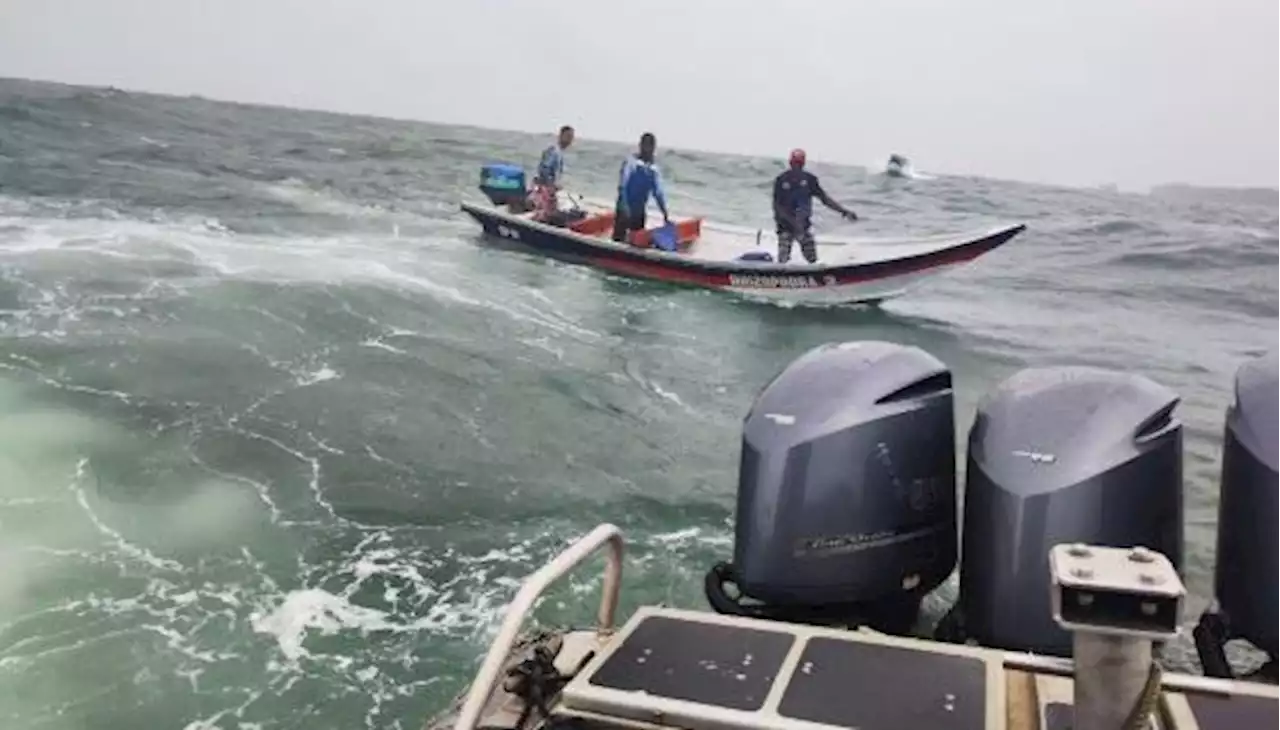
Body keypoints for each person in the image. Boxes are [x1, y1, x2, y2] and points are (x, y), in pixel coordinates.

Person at [772, 148, 858, 263]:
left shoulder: (787, 179)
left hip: (795, 226)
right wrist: (844, 211)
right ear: (803, 163)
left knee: (792, 260)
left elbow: (777, 206)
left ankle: (787, 276)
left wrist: (844, 211)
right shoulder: (785, 179)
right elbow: (825, 200)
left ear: (790, 162)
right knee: (806, 261)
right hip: (792, 226)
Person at [613, 132, 671, 243]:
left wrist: (665, 213)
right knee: (618, 241)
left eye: (652, 146)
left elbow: (658, 193)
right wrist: (624, 207)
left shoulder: (653, 169)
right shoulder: (631, 163)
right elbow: (622, 185)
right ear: (641, 146)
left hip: (639, 213)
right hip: (624, 210)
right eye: (647, 146)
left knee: (636, 244)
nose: (650, 150)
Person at [529, 125, 575, 222]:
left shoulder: (559, 152)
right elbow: (544, 169)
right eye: (568, 136)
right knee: (543, 216)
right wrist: (550, 186)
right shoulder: (554, 151)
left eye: (571, 137)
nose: (570, 140)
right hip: (545, 189)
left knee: (551, 214)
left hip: (549, 189)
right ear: (561, 135)